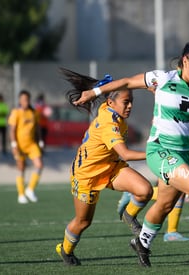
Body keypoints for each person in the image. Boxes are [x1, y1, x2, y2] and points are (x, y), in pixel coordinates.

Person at [74, 41, 189, 267]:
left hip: (181, 154)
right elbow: (125, 82)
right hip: (160, 150)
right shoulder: (162, 78)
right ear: (185, 61)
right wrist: (93, 92)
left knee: (164, 205)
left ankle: (142, 242)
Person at [55, 69, 153, 266]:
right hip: (86, 175)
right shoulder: (109, 123)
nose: (130, 106)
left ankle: (128, 214)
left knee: (145, 190)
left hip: (110, 167)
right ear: (111, 103)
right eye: (126, 102)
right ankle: (65, 250)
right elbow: (126, 154)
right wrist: (155, 152)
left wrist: (151, 86)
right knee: (83, 222)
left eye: (131, 101)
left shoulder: (111, 107)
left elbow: (124, 83)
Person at [116, 136, 189, 242]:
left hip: (175, 147)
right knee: (175, 190)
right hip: (169, 148)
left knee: (176, 191)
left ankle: (171, 231)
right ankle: (171, 232)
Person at [8, 90, 44, 204]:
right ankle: (21, 194)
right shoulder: (16, 112)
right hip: (19, 145)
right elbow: (12, 130)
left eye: (27, 99)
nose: (25, 102)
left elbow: (37, 128)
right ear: (20, 100)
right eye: (23, 100)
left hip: (31, 144)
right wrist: (14, 144)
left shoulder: (33, 113)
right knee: (21, 168)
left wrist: (41, 141)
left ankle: (30, 189)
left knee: (39, 165)